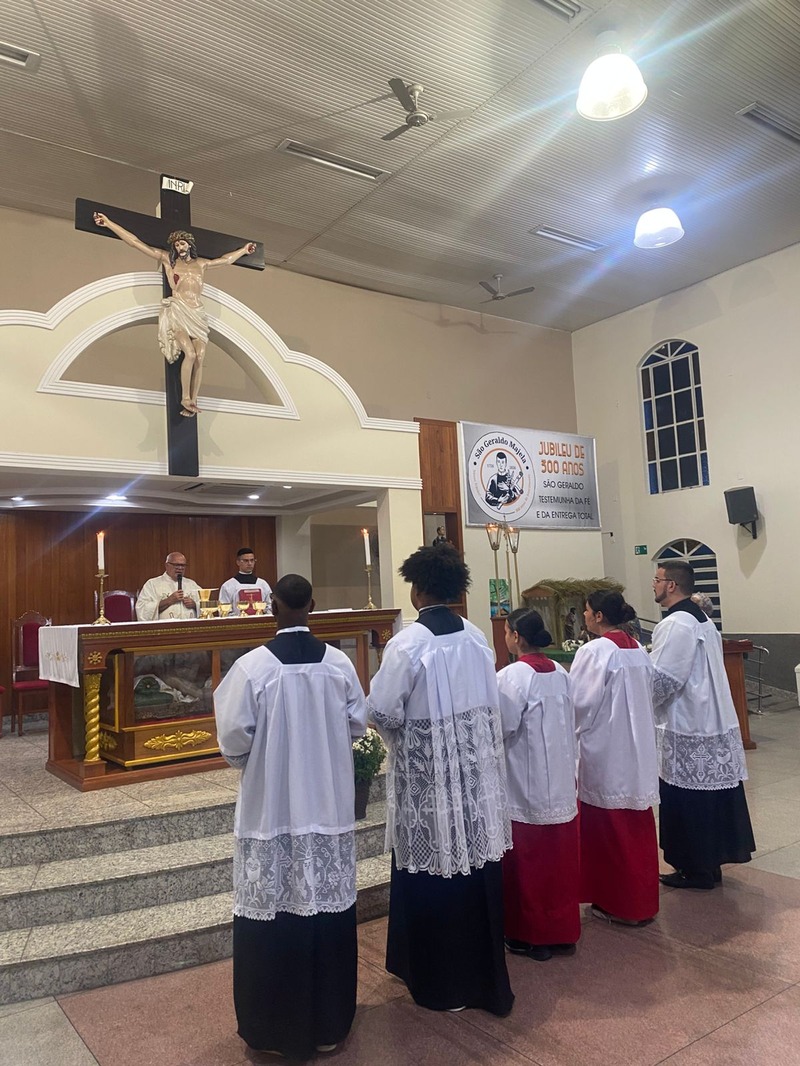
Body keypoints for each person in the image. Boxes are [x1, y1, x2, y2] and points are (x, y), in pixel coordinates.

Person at [214, 574, 367, 1058]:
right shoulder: (339, 664)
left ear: (272, 606)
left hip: (273, 808)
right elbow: (357, 723)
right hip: (327, 803)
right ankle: (328, 1023)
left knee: (276, 911)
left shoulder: (253, 667)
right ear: (313, 606)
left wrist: (258, 758)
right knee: (326, 906)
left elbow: (233, 740)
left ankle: (274, 1030)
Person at [367, 543, 513, 1016]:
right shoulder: (475, 634)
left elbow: (383, 710)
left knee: (434, 870)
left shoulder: (408, 643)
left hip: (428, 782)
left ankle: (440, 984)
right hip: (473, 778)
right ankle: (480, 976)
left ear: (419, 590)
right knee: (474, 866)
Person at [651, 561, 755, 890]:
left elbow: (664, 679)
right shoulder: (703, 620)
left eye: (657, 579)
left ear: (671, 585)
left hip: (688, 722)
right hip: (711, 719)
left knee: (688, 799)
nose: (654, 584)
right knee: (710, 798)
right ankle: (709, 864)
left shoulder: (675, 623)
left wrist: (640, 698)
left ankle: (694, 869)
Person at [93, 211, 255, 416]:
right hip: (179, 310)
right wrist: (109, 223)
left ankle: (193, 399)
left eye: (183, 244)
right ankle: (185, 398)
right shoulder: (168, 261)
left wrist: (244, 250)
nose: (180, 248)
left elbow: (225, 260)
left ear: (189, 245)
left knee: (200, 356)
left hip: (197, 313)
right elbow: (135, 243)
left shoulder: (201, 264)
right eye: (177, 245)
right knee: (190, 353)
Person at [570, 590, 660, 926]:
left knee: (609, 830)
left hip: (606, 749)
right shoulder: (637, 648)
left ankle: (618, 903)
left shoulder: (594, 651)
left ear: (598, 616)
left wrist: (568, 733)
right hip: (637, 749)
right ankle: (640, 902)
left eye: (586, 610)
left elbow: (579, 703)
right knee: (635, 827)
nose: (583, 615)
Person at [498, 608, 580, 962]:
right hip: (560, 780)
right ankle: (562, 932)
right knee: (558, 862)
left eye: (506, 632)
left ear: (516, 636)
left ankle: (530, 935)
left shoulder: (512, 676)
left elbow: (501, 726)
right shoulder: (560, 672)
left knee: (529, 862)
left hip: (525, 782)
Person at [135, 552, 202, 620]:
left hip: (190, 626)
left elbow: (206, 607)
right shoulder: (152, 584)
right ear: (167, 565)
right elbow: (142, 609)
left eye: (183, 565)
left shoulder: (192, 584)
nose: (180, 568)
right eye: (176, 565)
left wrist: (194, 605)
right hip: (163, 626)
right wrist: (168, 600)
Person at [219, 547, 273, 615]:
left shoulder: (263, 584)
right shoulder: (228, 586)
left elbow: (270, 606)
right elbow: (224, 610)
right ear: (238, 562)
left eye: (252, 560)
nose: (250, 563)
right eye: (246, 561)